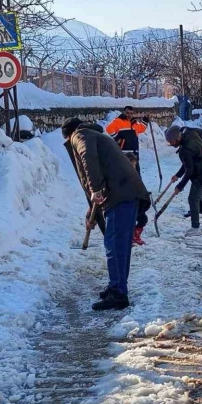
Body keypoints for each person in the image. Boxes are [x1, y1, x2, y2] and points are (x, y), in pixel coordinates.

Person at [62, 118, 150, 311]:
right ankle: (116, 286)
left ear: (69, 135)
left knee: (114, 244)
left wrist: (95, 189)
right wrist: (90, 213)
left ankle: (119, 293)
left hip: (120, 194)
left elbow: (88, 158)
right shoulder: (97, 135)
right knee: (120, 244)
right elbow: (99, 173)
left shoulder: (80, 135)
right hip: (126, 193)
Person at [165, 125, 202, 236]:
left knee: (193, 199)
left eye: (171, 142)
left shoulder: (185, 150)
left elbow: (190, 170)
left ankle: (195, 228)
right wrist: (177, 175)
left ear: (178, 138)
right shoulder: (191, 133)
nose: (170, 144)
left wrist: (180, 186)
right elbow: (189, 162)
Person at [105, 106, 149, 173]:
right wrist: (117, 138)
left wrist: (145, 120)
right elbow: (109, 129)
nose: (129, 115)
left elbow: (141, 129)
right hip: (124, 152)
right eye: (127, 113)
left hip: (134, 152)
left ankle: (137, 183)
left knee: (137, 174)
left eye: (131, 113)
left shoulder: (134, 122)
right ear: (124, 112)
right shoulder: (118, 121)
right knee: (125, 173)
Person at [124, 152, 149, 246]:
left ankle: (135, 236)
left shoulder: (135, 175)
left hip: (136, 203)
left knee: (143, 219)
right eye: (132, 164)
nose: (134, 167)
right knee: (127, 222)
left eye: (135, 165)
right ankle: (127, 238)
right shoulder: (122, 175)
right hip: (126, 205)